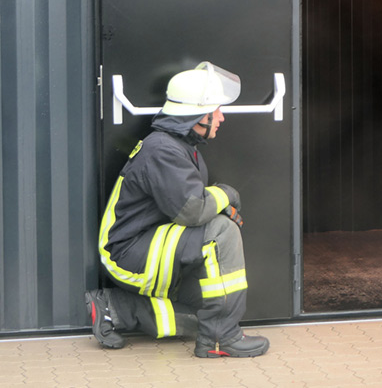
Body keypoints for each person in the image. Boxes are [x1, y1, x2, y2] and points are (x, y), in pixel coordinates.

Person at [86, 61, 270, 357]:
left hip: (150, 246)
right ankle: (222, 339)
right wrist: (226, 195)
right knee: (222, 233)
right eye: (216, 110)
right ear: (197, 115)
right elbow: (192, 211)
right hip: (128, 253)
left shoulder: (179, 145)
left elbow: (185, 202)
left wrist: (217, 206)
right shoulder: (163, 150)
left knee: (204, 314)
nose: (222, 117)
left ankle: (115, 309)